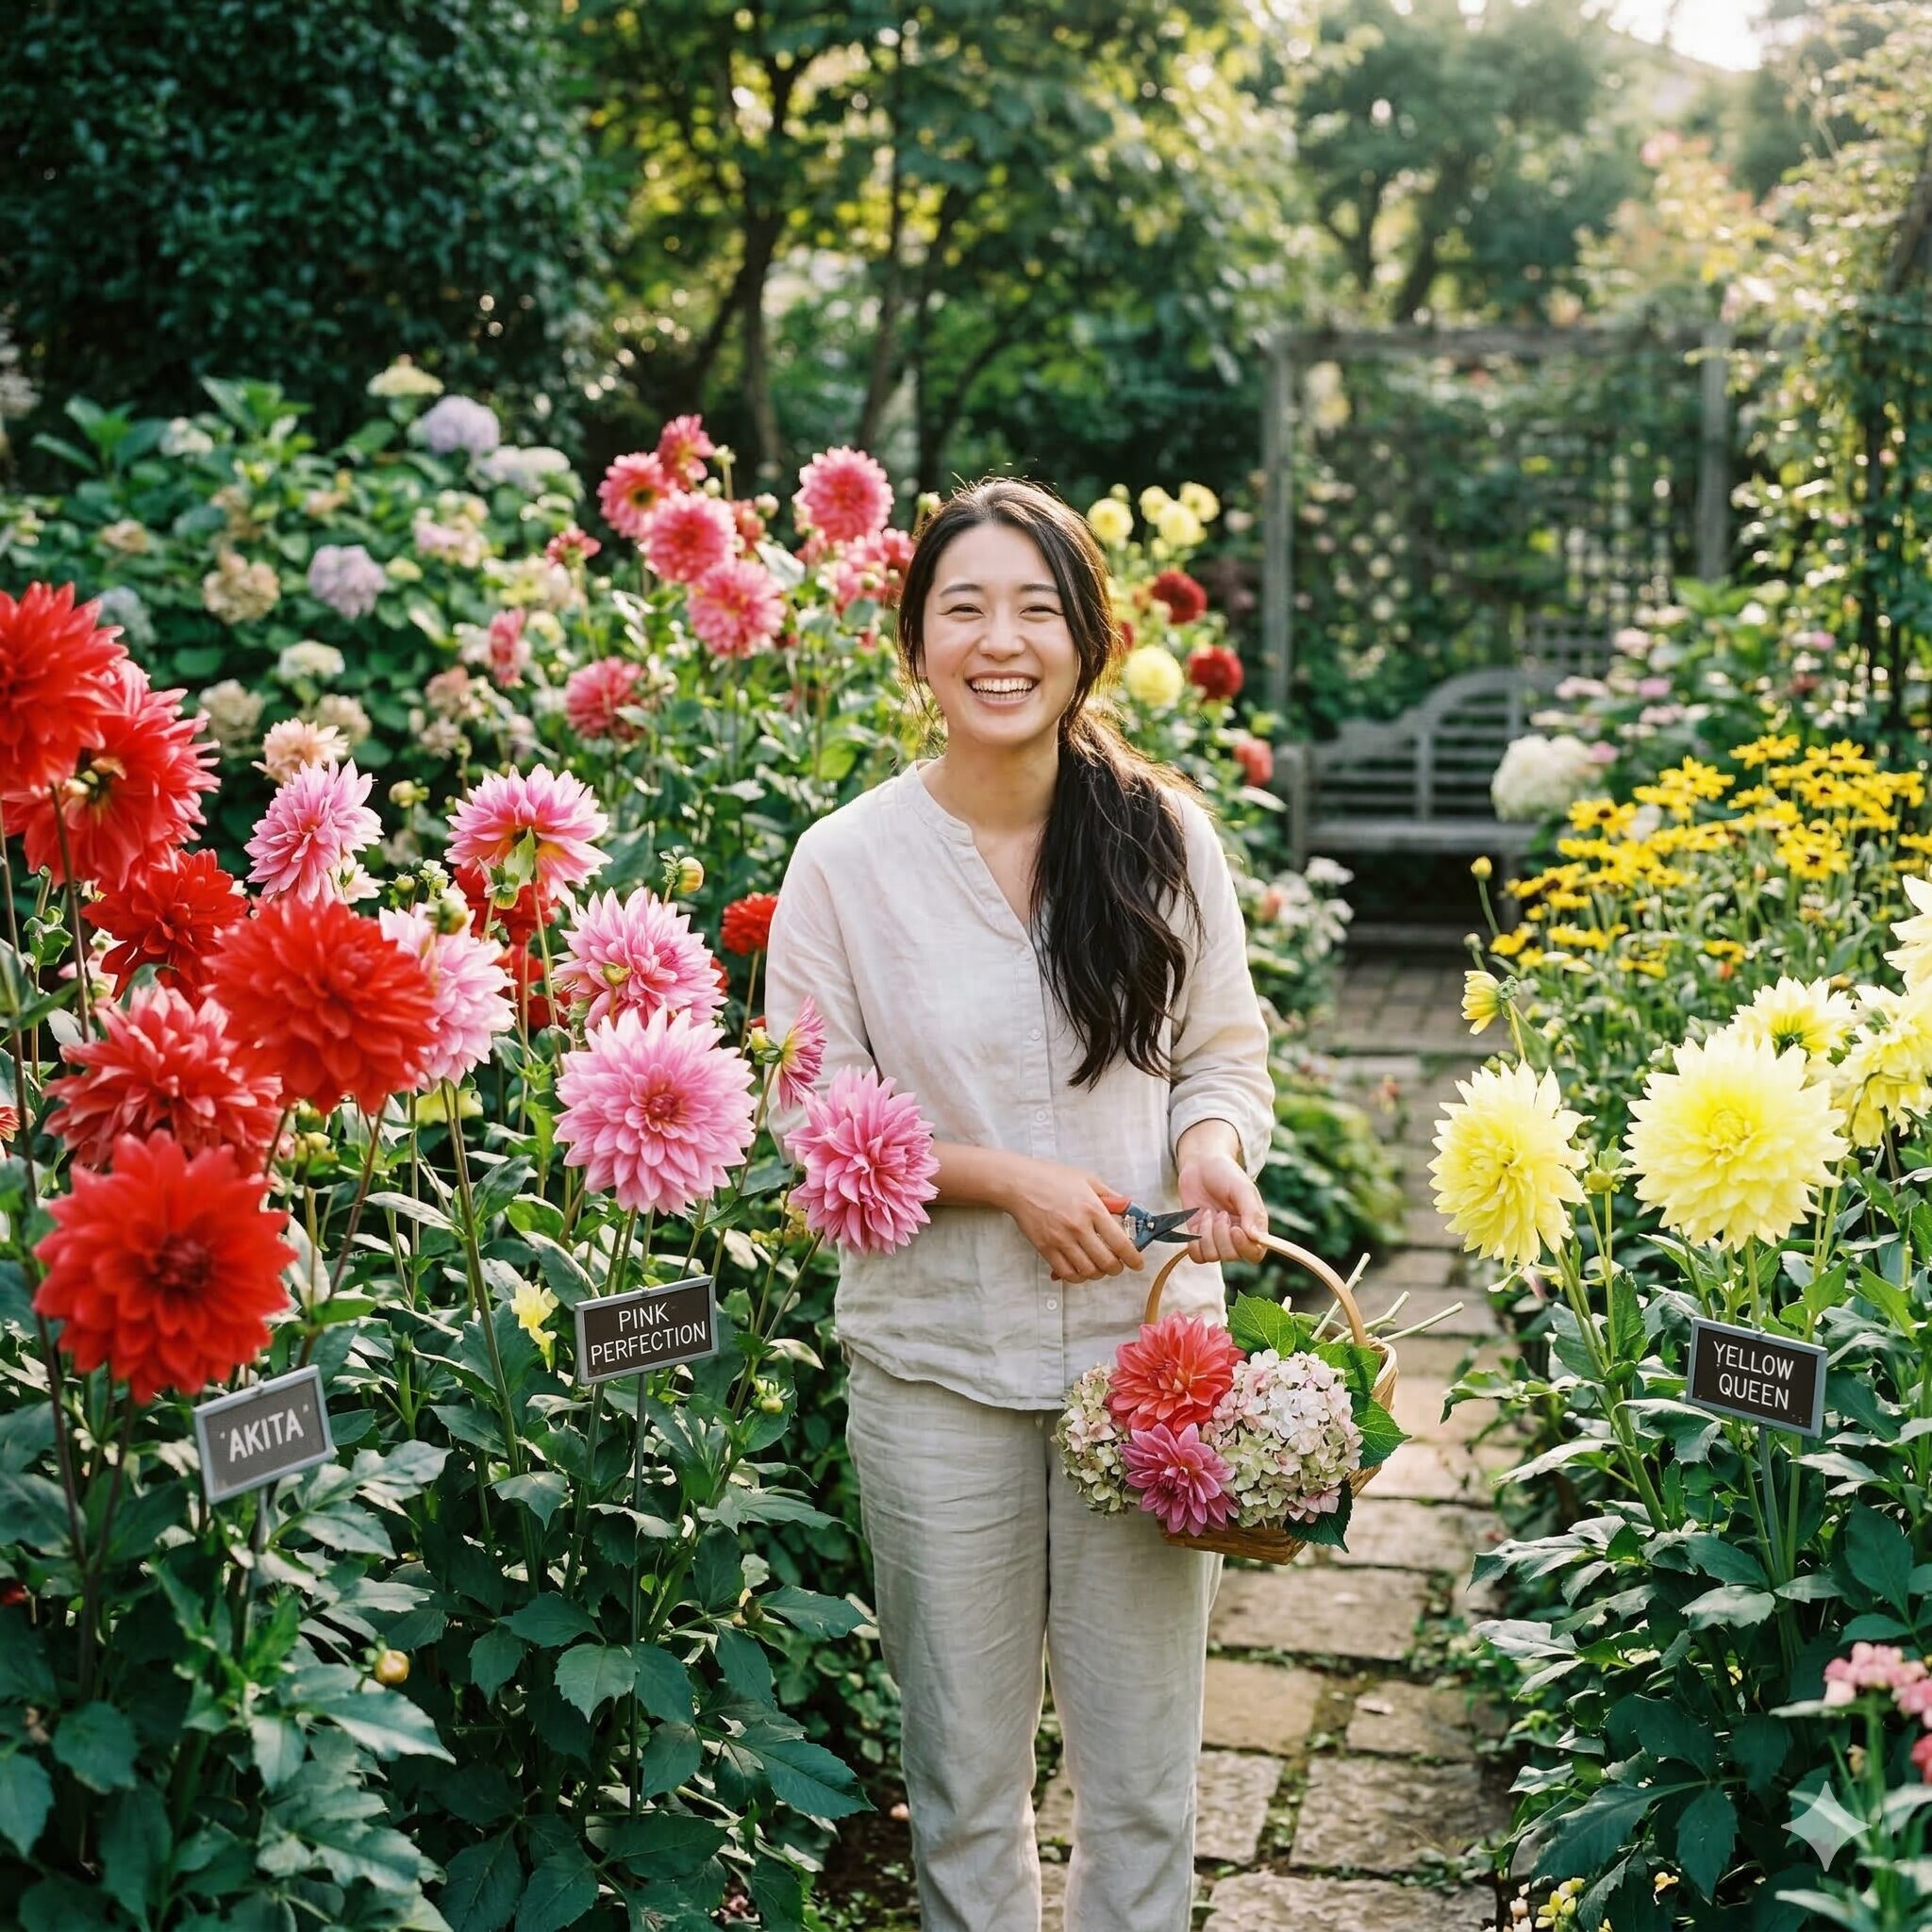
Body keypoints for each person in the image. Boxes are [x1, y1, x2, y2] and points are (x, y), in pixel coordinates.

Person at [762, 476, 1274, 1932]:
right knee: (964, 1787)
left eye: (1037, 608)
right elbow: (814, 1125)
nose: (1003, 641)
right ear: (914, 641)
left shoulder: (1163, 840)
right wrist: (1003, 1182)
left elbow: (1221, 1057)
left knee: (1144, 1790)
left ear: (1088, 637)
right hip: (939, 1369)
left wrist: (1213, 1150)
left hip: (1146, 1371)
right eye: (965, 608)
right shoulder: (845, 865)